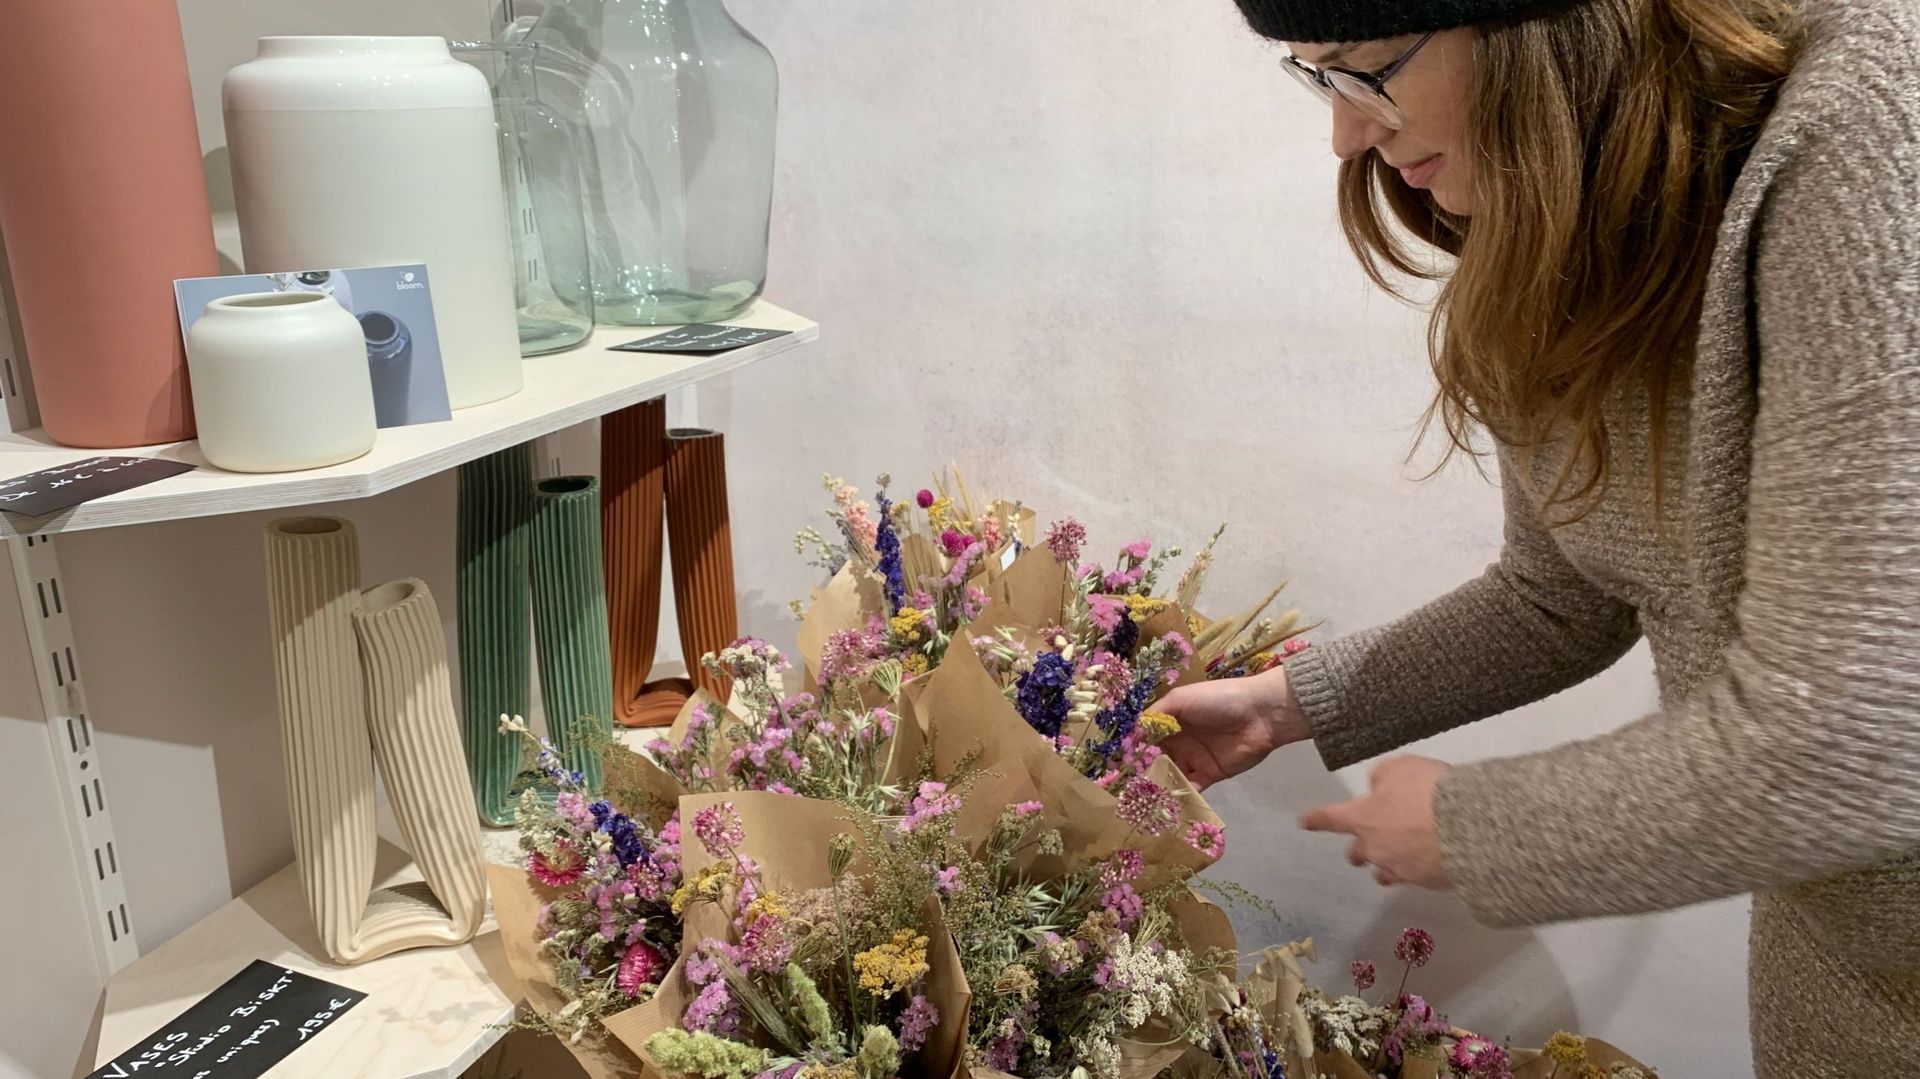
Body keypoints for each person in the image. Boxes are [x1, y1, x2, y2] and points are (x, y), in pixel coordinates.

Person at [1156, 0, 1920, 1072]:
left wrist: (1470, 828)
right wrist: (1287, 704)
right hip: (1829, 968)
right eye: (1318, 79)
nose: (1344, 135)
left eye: (1363, 70)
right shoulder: (1572, 219)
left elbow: (1858, 735)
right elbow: (1560, 589)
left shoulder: (1874, 128)